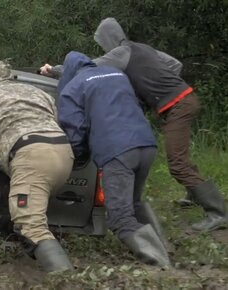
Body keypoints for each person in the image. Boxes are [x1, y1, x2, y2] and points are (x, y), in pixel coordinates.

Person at [41, 17, 227, 232]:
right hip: (185, 100)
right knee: (180, 155)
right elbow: (176, 64)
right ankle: (194, 195)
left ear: (107, 39)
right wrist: (156, 84)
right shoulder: (143, 49)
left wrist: (54, 70)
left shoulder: (121, 53)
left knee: (177, 163)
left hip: (179, 106)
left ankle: (217, 213)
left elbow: (89, 68)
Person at [57, 51, 170, 267]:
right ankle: (164, 246)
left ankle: (162, 265)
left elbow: (74, 130)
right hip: (146, 144)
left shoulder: (73, 87)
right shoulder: (116, 74)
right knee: (134, 204)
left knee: (120, 219)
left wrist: (79, 158)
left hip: (117, 152)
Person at [0, 59, 75, 273]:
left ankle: (68, 281)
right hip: (63, 152)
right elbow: (53, 121)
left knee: (30, 225)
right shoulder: (38, 92)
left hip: (30, 158)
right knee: (32, 218)